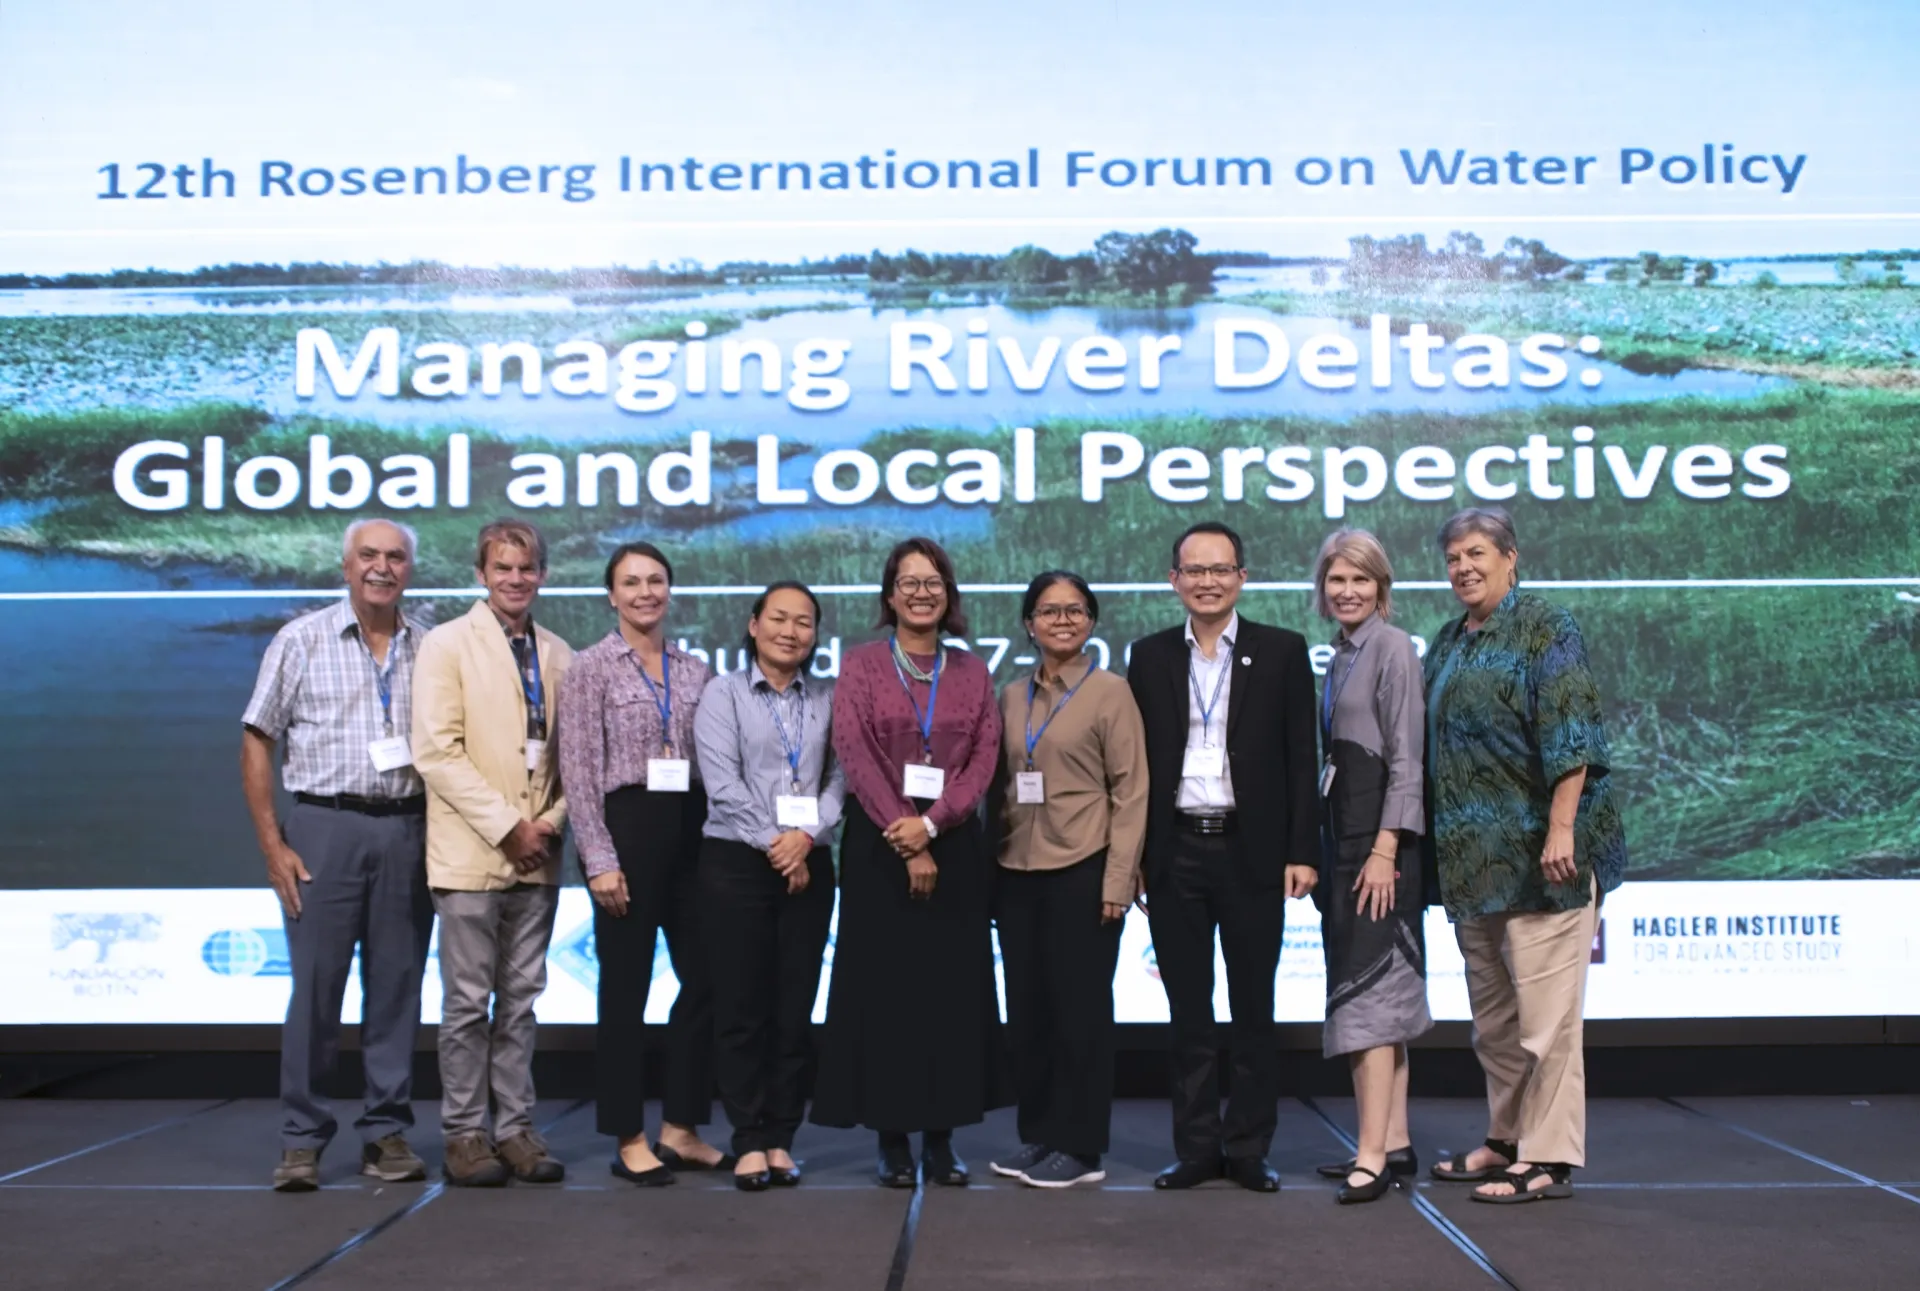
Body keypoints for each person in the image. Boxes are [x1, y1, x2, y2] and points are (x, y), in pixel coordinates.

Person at [1421, 507, 1627, 1205]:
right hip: (1474, 869)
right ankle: (1507, 1138)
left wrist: (1562, 829)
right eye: (1452, 558)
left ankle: (1549, 1157)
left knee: (1547, 1024)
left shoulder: (1546, 626)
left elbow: (1575, 733)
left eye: (1476, 553)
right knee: (1496, 1026)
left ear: (1511, 556)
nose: (1463, 568)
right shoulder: (1448, 640)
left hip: (1545, 865)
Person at [241, 519, 434, 1193]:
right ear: (345, 565)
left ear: (410, 568)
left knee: (396, 993)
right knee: (316, 994)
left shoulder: (430, 647)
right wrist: (273, 843)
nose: (382, 567)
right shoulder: (301, 638)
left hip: (409, 829)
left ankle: (385, 1132)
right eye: (369, 556)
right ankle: (302, 1139)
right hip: (324, 828)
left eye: (395, 556)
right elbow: (257, 738)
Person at [1126, 521, 1318, 1193]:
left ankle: (1249, 1147)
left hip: (1253, 850)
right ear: (1174, 579)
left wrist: (1302, 850)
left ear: (1242, 576)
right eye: (1194, 569)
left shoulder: (1283, 649)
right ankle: (1197, 1147)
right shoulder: (1147, 656)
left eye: (1221, 568)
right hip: (1175, 848)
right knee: (1188, 1011)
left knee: (1253, 1008)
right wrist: (1140, 857)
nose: (1208, 580)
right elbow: (1138, 766)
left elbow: (1302, 756)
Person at [813, 536, 1010, 1188]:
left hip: (954, 847)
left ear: (948, 594)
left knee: (949, 998)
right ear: (890, 593)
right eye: (909, 581)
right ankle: (892, 1139)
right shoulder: (863, 665)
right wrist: (906, 832)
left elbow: (983, 759)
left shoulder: (972, 672)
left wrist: (931, 825)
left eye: (934, 582)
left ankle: (942, 1140)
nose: (922, 591)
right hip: (878, 845)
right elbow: (854, 748)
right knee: (887, 996)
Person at [556, 541, 727, 1186]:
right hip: (626, 833)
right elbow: (577, 768)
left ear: (670, 590)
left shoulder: (697, 671)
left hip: (694, 831)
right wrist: (599, 858)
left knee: (706, 979)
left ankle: (681, 1127)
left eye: (656, 580)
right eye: (631, 582)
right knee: (624, 992)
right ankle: (629, 1135)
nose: (645, 592)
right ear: (611, 595)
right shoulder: (591, 668)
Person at [412, 519, 573, 1188]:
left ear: (541, 573)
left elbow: (574, 763)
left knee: (521, 1002)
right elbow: (436, 752)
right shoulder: (445, 645)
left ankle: (515, 1129)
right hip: (471, 852)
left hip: (539, 856)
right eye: (502, 567)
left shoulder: (561, 652)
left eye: (526, 567)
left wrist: (549, 822)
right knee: (466, 1002)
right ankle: (464, 1133)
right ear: (480, 573)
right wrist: (508, 825)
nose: (515, 578)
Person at [987, 571, 1148, 1189]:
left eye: (1075, 610)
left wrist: (1118, 881)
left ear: (1091, 621)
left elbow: (1132, 793)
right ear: (1029, 623)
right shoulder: (1010, 695)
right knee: (1029, 1014)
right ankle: (1041, 1136)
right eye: (1049, 611)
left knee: (1080, 1014)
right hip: (1016, 870)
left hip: (1083, 869)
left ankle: (1080, 1149)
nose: (1062, 620)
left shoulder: (1111, 694)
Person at [692, 582, 844, 1191]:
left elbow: (840, 778)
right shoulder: (721, 694)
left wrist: (804, 840)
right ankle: (748, 1137)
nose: (790, 631)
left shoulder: (827, 701)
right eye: (778, 618)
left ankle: (782, 1135)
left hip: (808, 858)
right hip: (736, 862)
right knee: (741, 1006)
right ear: (754, 625)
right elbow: (722, 784)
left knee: (793, 1007)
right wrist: (778, 845)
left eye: (803, 622)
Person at [1306, 529, 1431, 1205]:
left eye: (1359, 579)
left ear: (1381, 585)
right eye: (1336, 580)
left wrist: (1386, 847)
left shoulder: (1393, 648)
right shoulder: (1343, 655)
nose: (1347, 590)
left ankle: (1371, 1153)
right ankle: (1398, 1139)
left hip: (1379, 849)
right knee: (1379, 997)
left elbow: (1407, 759)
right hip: (1348, 843)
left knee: (1369, 999)